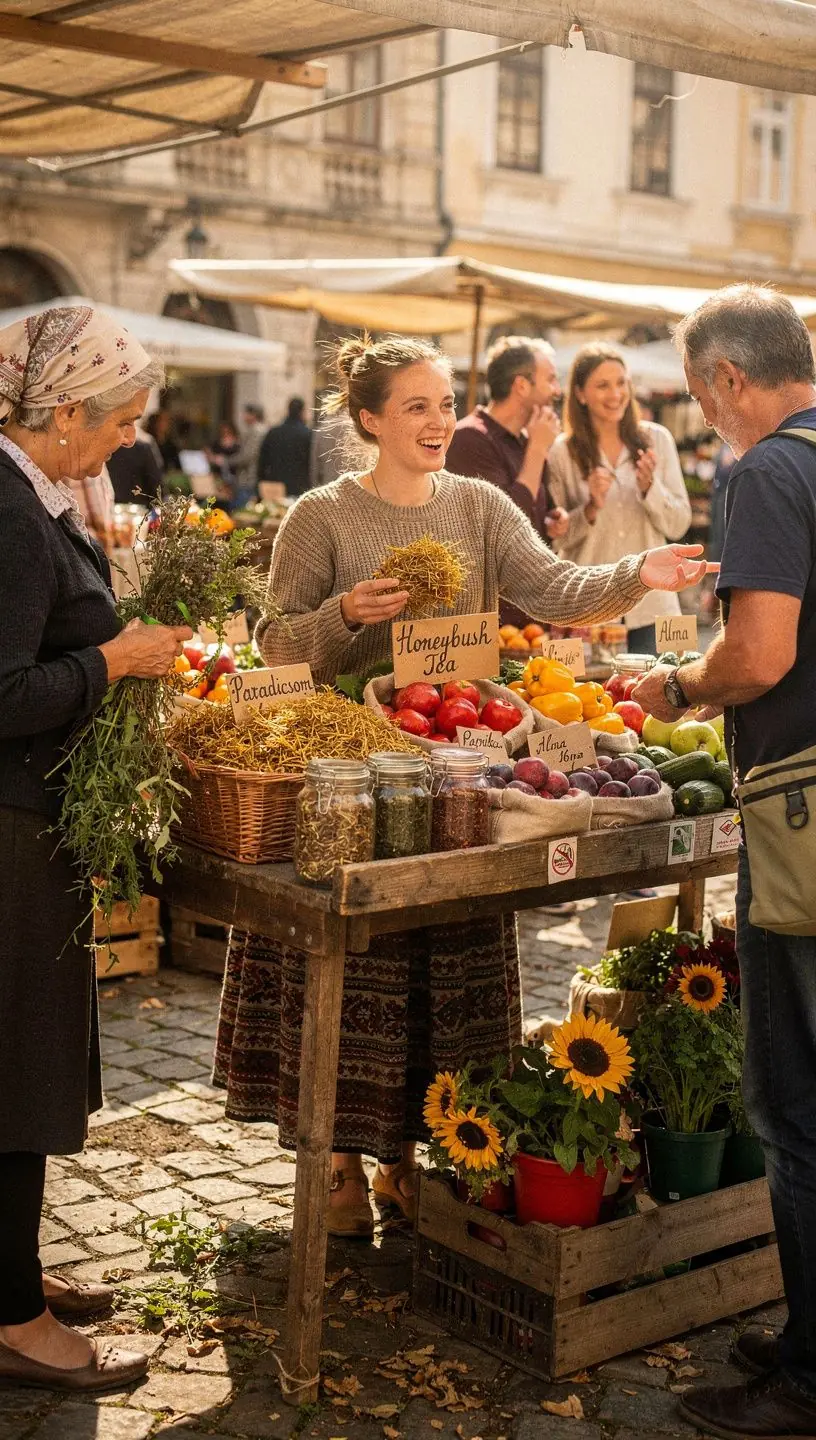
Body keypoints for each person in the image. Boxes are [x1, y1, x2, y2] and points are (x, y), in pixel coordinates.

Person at [213, 332, 712, 1242]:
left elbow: (556, 587)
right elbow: (271, 646)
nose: (439, 421)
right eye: (416, 406)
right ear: (368, 419)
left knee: (440, 957)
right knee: (355, 959)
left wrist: (644, 571)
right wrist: (342, 615)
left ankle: (407, 1161)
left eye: (445, 403)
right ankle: (335, 1166)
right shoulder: (321, 517)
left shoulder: (479, 507)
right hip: (353, 776)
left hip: (464, 766)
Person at [632, 284, 816, 1440]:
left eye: (707, 402)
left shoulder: (763, 473)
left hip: (803, 821)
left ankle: (809, 1380)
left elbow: (757, 653)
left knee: (795, 1102)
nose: (709, 421)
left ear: (727, 385)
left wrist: (675, 686)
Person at [0, 305, 192, 1392]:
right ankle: (14, 1319)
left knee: (18, 1066)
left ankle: (9, 1275)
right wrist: (113, 665)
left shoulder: (35, 495)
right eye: (120, 419)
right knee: (13, 1074)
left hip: (30, 823)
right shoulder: (8, 511)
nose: (129, 436)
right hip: (9, 829)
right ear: (65, 410)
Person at [547, 343, 692, 655]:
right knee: (588, 700)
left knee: (665, 697)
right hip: (590, 608)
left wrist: (650, 488)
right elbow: (556, 539)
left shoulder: (657, 440)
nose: (615, 394)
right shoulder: (562, 452)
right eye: (602, 385)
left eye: (621, 382)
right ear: (581, 394)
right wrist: (590, 507)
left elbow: (680, 525)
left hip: (654, 605)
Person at [445, 335, 568, 629]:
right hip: (492, 622)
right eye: (550, 379)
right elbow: (501, 525)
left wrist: (553, 519)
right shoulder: (469, 438)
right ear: (522, 386)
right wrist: (538, 450)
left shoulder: (529, 440)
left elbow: (537, 514)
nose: (557, 390)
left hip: (531, 616)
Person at [259, 397, 313, 497]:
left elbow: (262, 461)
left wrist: (260, 483)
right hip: (299, 487)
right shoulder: (307, 434)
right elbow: (311, 463)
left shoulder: (274, 432)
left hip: (275, 486)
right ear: (302, 412)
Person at [106, 433, 163, 504]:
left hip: (113, 506)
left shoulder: (105, 442)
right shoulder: (145, 442)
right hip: (139, 508)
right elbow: (156, 485)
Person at [231, 402, 264, 508]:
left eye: (246, 413)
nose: (243, 417)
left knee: (242, 511)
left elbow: (247, 456)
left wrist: (226, 460)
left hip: (249, 478)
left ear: (253, 415)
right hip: (249, 478)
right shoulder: (254, 430)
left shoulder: (256, 431)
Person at [144, 408, 181, 474]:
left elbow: (178, 467)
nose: (165, 424)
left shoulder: (171, 445)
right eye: (161, 421)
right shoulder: (147, 442)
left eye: (167, 421)